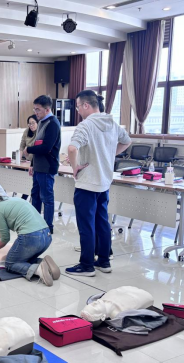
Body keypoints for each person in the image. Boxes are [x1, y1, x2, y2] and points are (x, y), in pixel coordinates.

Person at [65, 90, 131, 277]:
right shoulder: (112, 123)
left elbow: (72, 148)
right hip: (104, 182)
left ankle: (86, 265)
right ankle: (104, 261)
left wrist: (75, 167)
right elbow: (127, 141)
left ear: (86, 105)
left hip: (87, 183)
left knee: (86, 225)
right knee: (102, 222)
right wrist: (109, 154)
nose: (78, 111)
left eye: (78, 107)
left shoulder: (86, 125)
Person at [0, 186, 60, 287]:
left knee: (10, 263)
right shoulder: (10, 200)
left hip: (31, 238)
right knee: (23, 259)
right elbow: (2, 231)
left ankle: (38, 270)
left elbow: (5, 238)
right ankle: (44, 264)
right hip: (47, 236)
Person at [23, 95, 61, 234]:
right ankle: (36, 223)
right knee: (35, 195)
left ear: (47, 109)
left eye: (38, 109)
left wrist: (29, 150)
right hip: (38, 167)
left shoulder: (53, 124)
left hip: (47, 167)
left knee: (47, 198)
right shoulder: (41, 122)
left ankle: (47, 227)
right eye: (34, 109)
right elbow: (37, 143)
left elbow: (46, 147)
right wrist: (32, 163)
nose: (36, 112)